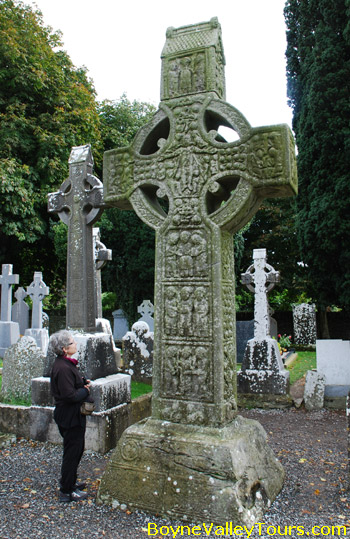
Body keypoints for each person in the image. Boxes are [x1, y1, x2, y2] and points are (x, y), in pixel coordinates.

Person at [50, 330, 93, 502]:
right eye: (72, 343)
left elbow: (69, 386)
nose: (76, 344)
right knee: (72, 452)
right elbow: (69, 396)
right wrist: (85, 390)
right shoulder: (62, 368)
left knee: (76, 450)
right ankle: (66, 491)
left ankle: (71, 482)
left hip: (72, 416)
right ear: (64, 348)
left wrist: (82, 382)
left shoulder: (65, 364)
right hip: (70, 416)